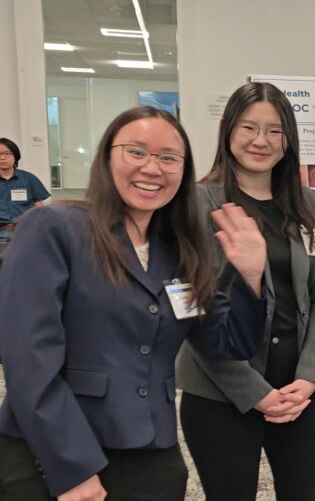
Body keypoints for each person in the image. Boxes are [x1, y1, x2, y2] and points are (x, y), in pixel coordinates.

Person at [0, 107, 268, 501]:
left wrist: (250, 276)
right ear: (107, 157)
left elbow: (227, 345)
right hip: (54, 453)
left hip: (151, 452)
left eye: (168, 158)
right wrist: (73, 469)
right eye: (136, 152)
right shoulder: (56, 228)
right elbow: (28, 359)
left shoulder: (180, 252)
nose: (152, 168)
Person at [176, 82, 315, 501]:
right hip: (220, 391)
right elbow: (194, 313)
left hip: (298, 388)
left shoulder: (308, 203)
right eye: (250, 127)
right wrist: (256, 393)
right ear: (227, 129)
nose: (261, 141)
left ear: (289, 138)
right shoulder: (195, 203)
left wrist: (311, 376)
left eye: (275, 130)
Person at [0, 137, 51, 246]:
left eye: (7, 154)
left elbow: (39, 207)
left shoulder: (29, 178)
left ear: (15, 156)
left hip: (25, 230)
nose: (2, 158)